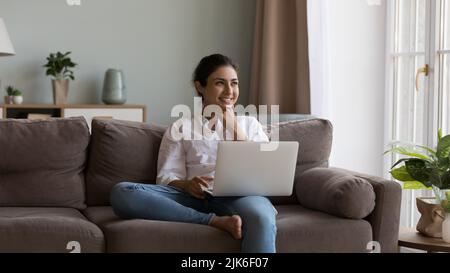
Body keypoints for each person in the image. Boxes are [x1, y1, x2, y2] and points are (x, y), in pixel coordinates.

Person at [110, 54, 277, 253]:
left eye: (234, 83)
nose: (229, 91)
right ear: (200, 87)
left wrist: (232, 125)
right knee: (123, 192)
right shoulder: (181, 126)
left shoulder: (249, 125)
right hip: (193, 199)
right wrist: (187, 185)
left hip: (241, 197)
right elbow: (166, 177)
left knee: (261, 217)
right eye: (220, 83)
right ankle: (213, 221)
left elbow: (262, 171)